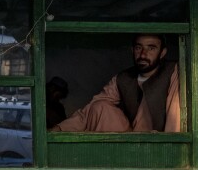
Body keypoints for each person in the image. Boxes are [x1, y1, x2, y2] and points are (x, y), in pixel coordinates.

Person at [50, 34, 180, 133]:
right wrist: (58, 129)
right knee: (99, 106)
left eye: (151, 48)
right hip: (130, 139)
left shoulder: (173, 72)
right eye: (138, 47)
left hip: (158, 142)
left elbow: (176, 118)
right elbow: (91, 109)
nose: (143, 54)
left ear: (162, 53)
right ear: (132, 50)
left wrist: (172, 151)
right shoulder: (123, 78)